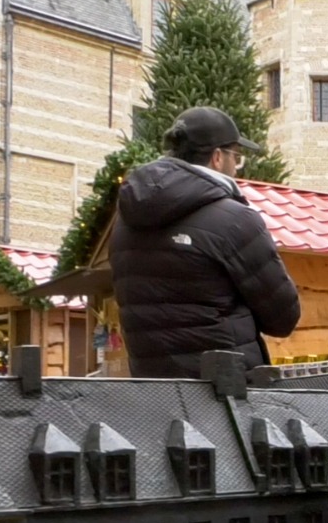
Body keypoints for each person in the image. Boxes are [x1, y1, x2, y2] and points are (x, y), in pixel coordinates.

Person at [110, 107, 301, 377]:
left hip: (153, 392)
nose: (236, 165)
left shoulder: (124, 224)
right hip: (225, 393)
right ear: (218, 157)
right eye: (236, 156)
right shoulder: (234, 219)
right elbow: (283, 319)